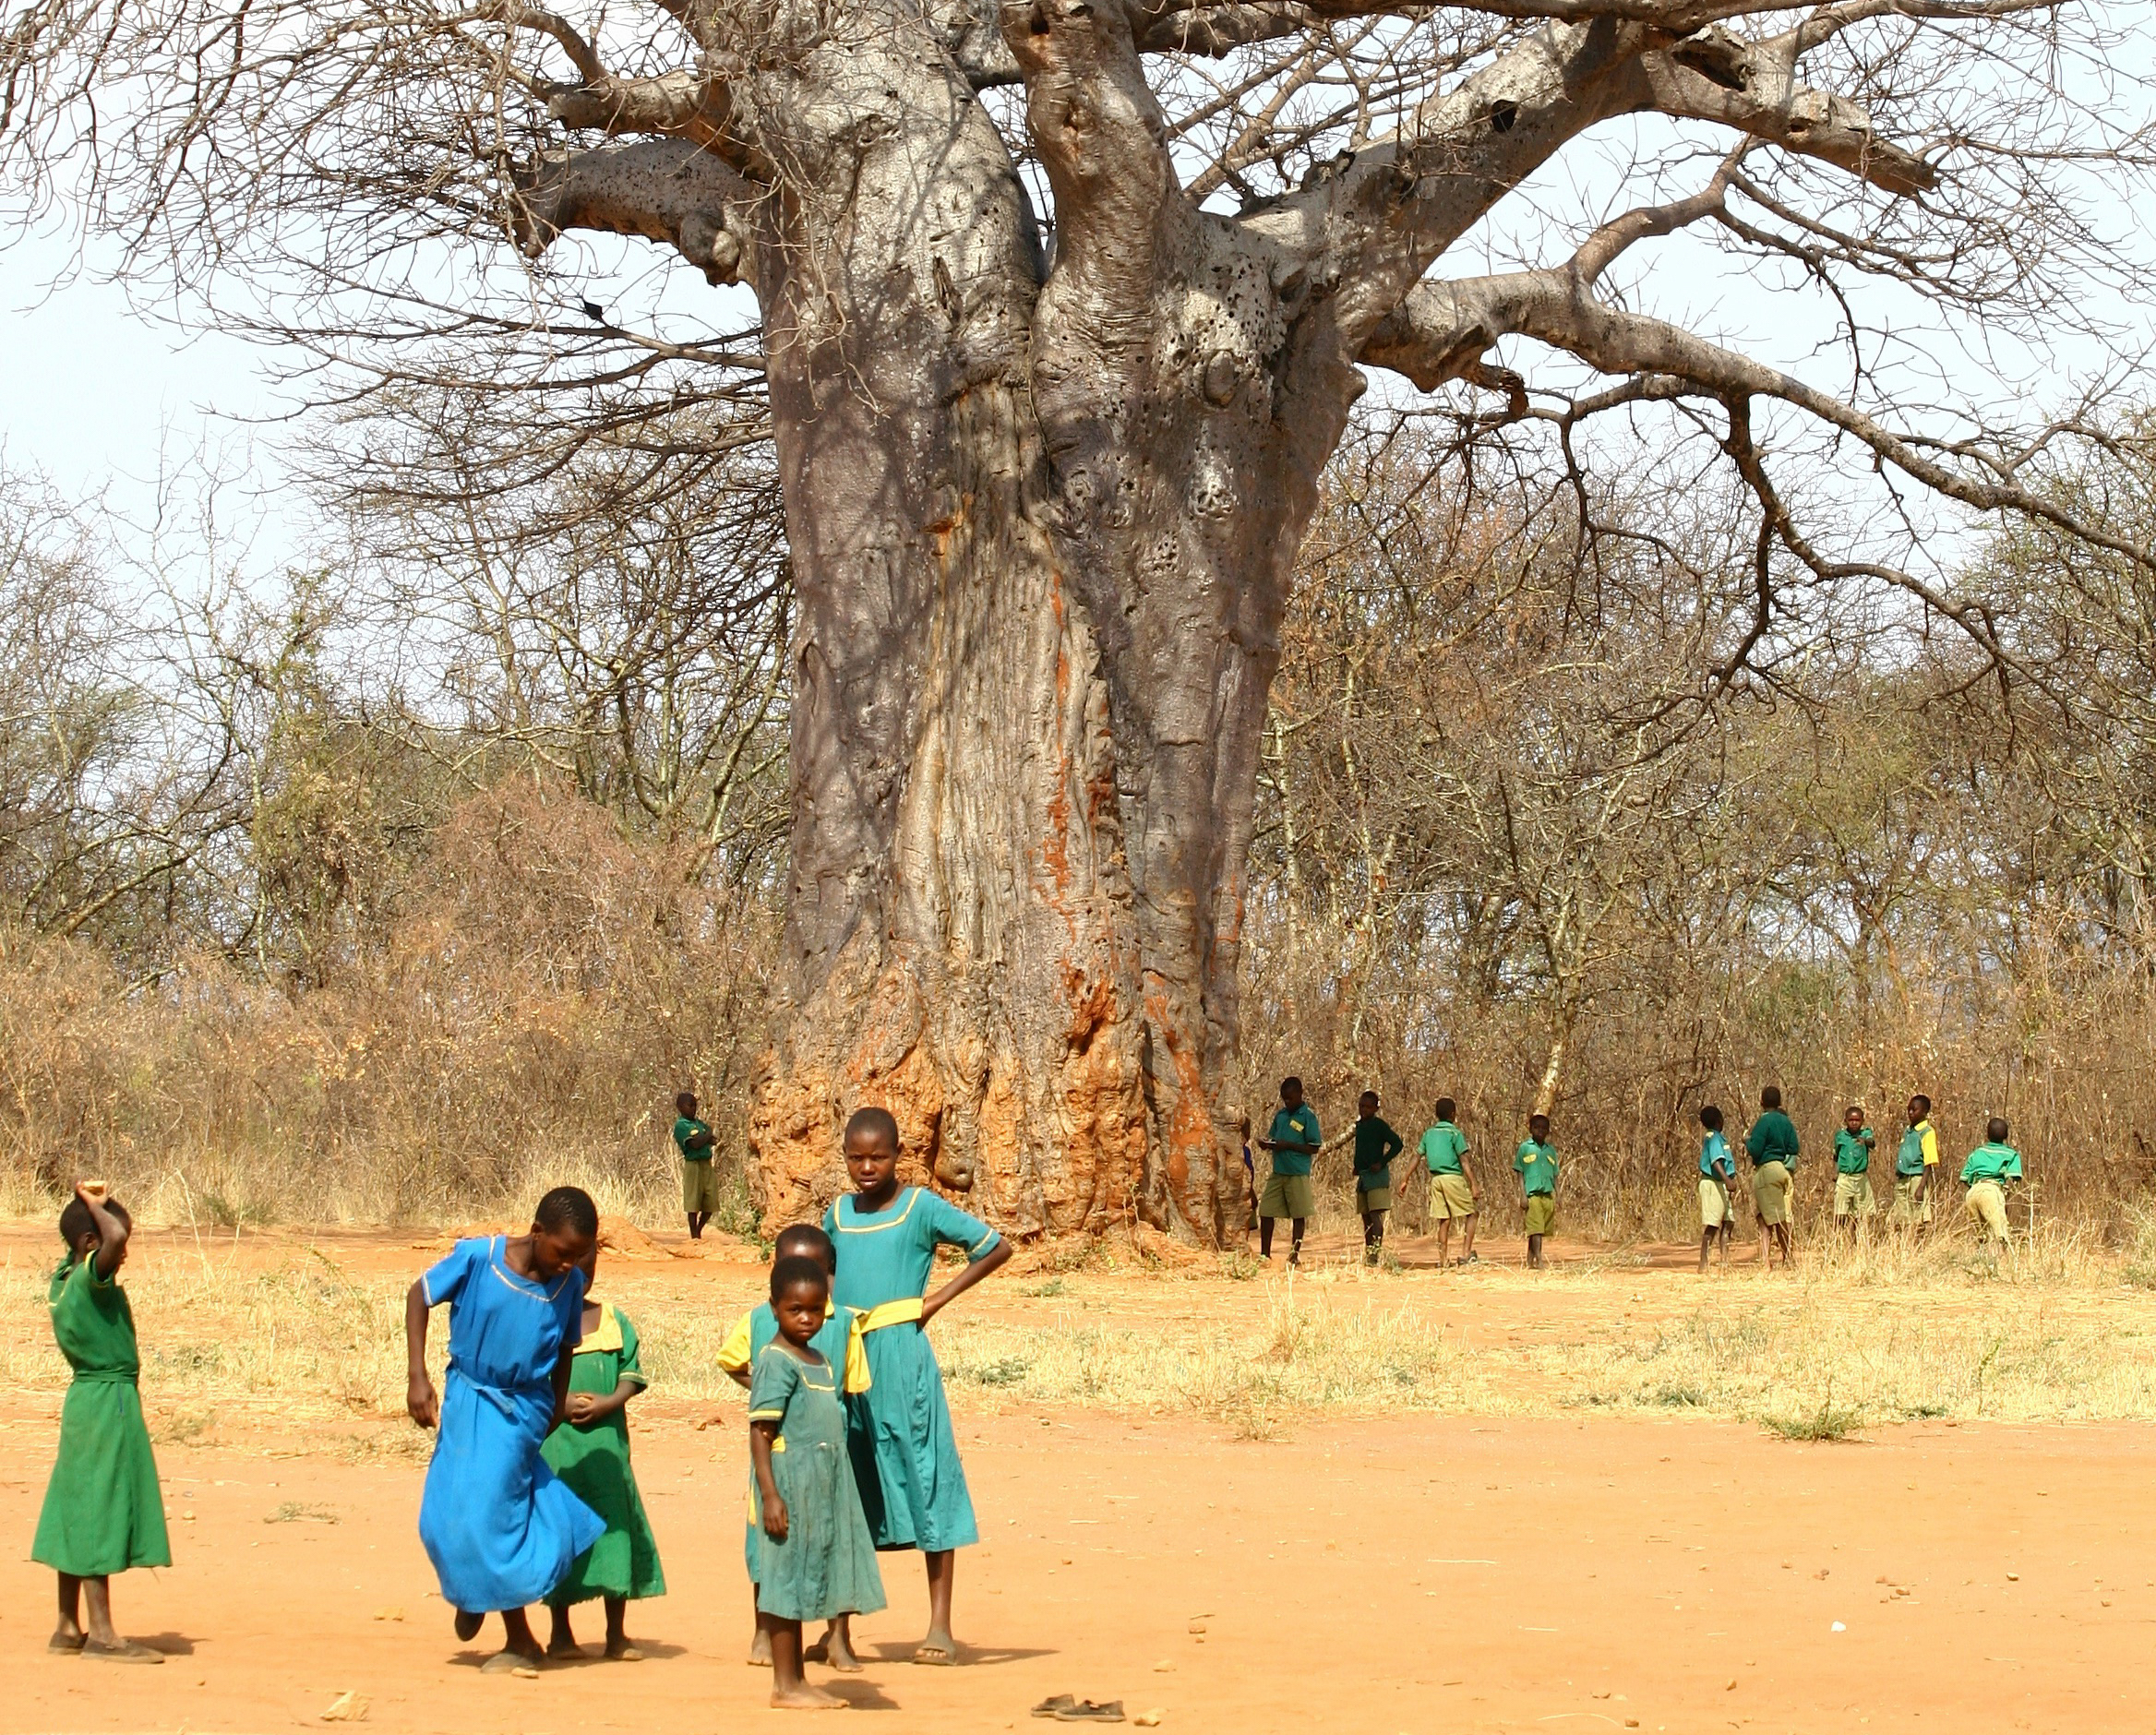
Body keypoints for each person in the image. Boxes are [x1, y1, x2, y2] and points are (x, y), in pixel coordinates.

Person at [824, 1106, 1012, 1666]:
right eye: (856, 1158)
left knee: (924, 1473)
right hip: (845, 1354)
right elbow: (825, 1271)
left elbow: (994, 1247)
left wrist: (932, 1302)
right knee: (847, 1482)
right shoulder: (837, 1213)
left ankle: (940, 1626)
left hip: (901, 1357)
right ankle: (837, 1631)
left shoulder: (920, 1208)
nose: (866, 1167)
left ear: (898, 1154)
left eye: (877, 1156)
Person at [406, 1186, 605, 1674]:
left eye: (578, 1256)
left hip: (523, 1410)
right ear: (537, 1232)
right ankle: (473, 1590)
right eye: (562, 1252)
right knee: (439, 1517)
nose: (569, 1264)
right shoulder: (479, 1258)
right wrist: (418, 1375)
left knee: (494, 1514)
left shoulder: (569, 1286)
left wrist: (553, 1409)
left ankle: (520, 1641)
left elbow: (563, 1350)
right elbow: (419, 1295)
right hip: (469, 1397)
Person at [719, 1222, 872, 1670]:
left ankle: (837, 1637)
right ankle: (766, 1634)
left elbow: (852, 1388)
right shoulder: (766, 1336)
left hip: (828, 1461)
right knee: (774, 1547)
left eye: (816, 1272)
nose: (806, 1315)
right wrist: (773, 1390)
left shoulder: (841, 1327)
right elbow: (737, 1373)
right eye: (791, 1267)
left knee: (833, 1545)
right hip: (784, 1468)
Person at [33, 1181, 171, 1663]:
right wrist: (93, 1204)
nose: (125, 1252)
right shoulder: (92, 1275)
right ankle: (104, 1634)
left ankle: (68, 1625)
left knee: (78, 1502)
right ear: (89, 1245)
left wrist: (88, 1210)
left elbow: (103, 1239)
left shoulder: (62, 1279)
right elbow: (110, 1239)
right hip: (106, 1399)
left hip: (83, 1401)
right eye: (121, 1242)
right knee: (100, 1509)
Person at [749, 1253, 888, 1709]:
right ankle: (785, 1685)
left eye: (815, 1309)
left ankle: (799, 1679)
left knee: (814, 1572)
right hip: (790, 1486)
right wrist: (770, 1494)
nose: (806, 1318)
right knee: (786, 1578)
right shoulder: (775, 1361)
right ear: (774, 1308)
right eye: (795, 1310)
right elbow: (761, 1432)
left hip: (825, 1485)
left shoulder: (820, 1359)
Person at [541, 1246, 665, 1662]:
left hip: (608, 1453)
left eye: (588, 1271)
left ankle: (617, 1634)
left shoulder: (613, 1321)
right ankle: (560, 1633)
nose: (579, 1280)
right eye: (569, 1271)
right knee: (561, 1536)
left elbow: (632, 1375)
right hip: (559, 1454)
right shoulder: (541, 1318)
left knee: (615, 1532)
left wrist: (608, 1402)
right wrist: (563, 1401)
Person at [1255, 1077, 1322, 1267]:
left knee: (1298, 1214)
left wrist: (1289, 1146)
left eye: (1291, 1098)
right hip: (1279, 1171)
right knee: (1266, 1211)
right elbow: (1273, 1137)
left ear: (1300, 1094)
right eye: (1285, 1099)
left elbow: (1314, 1147)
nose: (1287, 1103)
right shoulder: (1281, 1116)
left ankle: (1294, 1255)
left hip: (1297, 1172)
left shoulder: (1307, 1116)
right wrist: (1267, 1144)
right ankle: (1264, 1255)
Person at [1419, 1098, 1479, 1267]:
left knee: (1444, 1220)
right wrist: (1473, 1182)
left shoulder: (1429, 1133)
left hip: (1436, 1180)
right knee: (1472, 1214)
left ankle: (1443, 1260)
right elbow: (1464, 1160)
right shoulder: (1454, 1133)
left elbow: (1416, 1156)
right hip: (1452, 1178)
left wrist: (1405, 1179)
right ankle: (1466, 1253)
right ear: (1453, 1114)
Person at [1745, 1086, 1801, 1270]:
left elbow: (1756, 1149)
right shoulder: (1786, 1122)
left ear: (1761, 1102)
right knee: (1781, 1215)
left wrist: (1748, 1142)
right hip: (1783, 1170)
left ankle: (1769, 1262)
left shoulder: (1764, 1122)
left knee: (1768, 1219)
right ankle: (1787, 1258)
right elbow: (1793, 1147)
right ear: (1779, 1102)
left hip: (1767, 1170)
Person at [1350, 1090, 1405, 1265]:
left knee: (1375, 1216)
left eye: (1367, 1107)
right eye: (1361, 1106)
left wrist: (1382, 1162)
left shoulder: (1379, 1125)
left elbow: (1397, 1144)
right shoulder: (1359, 1126)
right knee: (1365, 1216)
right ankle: (1369, 1253)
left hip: (1377, 1176)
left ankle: (1375, 1254)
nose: (1363, 1110)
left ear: (1375, 1108)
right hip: (1364, 1176)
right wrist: (1356, 1167)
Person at [1959, 1117, 2023, 1246]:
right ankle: (2003, 1260)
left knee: (1981, 1234)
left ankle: (1981, 1259)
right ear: (2006, 1135)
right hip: (1991, 1190)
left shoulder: (1977, 1153)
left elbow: (1964, 1178)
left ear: (1987, 1135)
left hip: (1972, 1193)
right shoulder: (2010, 1154)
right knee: (2000, 1233)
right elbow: (2014, 1177)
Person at [1514, 1113, 1559, 1270]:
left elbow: (1555, 1174)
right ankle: (1539, 1260)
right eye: (1536, 1127)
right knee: (1536, 1228)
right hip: (1532, 1195)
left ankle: (1529, 1260)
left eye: (1543, 1128)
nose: (1540, 1131)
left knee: (1538, 1230)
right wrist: (1522, 1194)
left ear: (1548, 1131)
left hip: (1547, 1195)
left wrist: (1558, 1195)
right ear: (1530, 1129)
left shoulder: (1550, 1151)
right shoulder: (1525, 1148)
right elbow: (1519, 1172)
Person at [674, 1090, 721, 1240]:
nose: (693, 1109)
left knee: (710, 1200)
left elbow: (713, 1140)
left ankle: (699, 1230)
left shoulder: (698, 1123)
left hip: (706, 1163)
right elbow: (695, 1144)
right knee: (692, 1202)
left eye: (695, 1105)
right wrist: (707, 1135)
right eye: (690, 1105)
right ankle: (694, 1235)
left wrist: (706, 1137)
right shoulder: (681, 1126)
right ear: (680, 1107)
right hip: (693, 1164)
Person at [1697, 1107, 1737, 1274]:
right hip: (1714, 1183)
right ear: (1719, 1120)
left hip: (1721, 1184)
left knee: (1728, 1222)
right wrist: (1727, 1180)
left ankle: (1724, 1262)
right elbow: (1716, 1161)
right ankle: (1703, 1262)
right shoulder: (1713, 1139)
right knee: (1713, 1224)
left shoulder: (1719, 1138)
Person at [1891, 1095, 1941, 1226]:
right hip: (1903, 1179)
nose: (1911, 1113)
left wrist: (1921, 1187)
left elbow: (1929, 1162)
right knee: (1901, 1218)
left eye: (1915, 1110)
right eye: (1909, 1110)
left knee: (1919, 1218)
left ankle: (1920, 1243)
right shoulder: (1908, 1131)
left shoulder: (1927, 1132)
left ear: (1925, 1112)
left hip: (1917, 1179)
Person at [1832, 1106, 1877, 1238]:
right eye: (1851, 1120)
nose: (1854, 1123)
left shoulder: (1865, 1134)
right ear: (1845, 1121)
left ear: (1862, 1121)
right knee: (1840, 1212)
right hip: (1845, 1177)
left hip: (1860, 1178)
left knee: (1862, 1213)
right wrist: (1835, 1172)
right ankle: (1838, 1242)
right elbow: (1836, 1155)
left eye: (1857, 1120)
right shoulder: (1840, 1136)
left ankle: (1858, 1242)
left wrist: (1865, 1142)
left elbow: (1872, 1143)